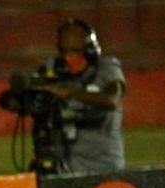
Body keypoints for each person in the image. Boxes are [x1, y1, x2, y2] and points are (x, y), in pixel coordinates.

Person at [39, 18, 126, 174]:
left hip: (104, 168)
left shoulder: (107, 69)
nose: (68, 57)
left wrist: (71, 92)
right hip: (68, 169)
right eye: (64, 51)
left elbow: (111, 100)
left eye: (74, 51)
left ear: (90, 51)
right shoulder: (58, 72)